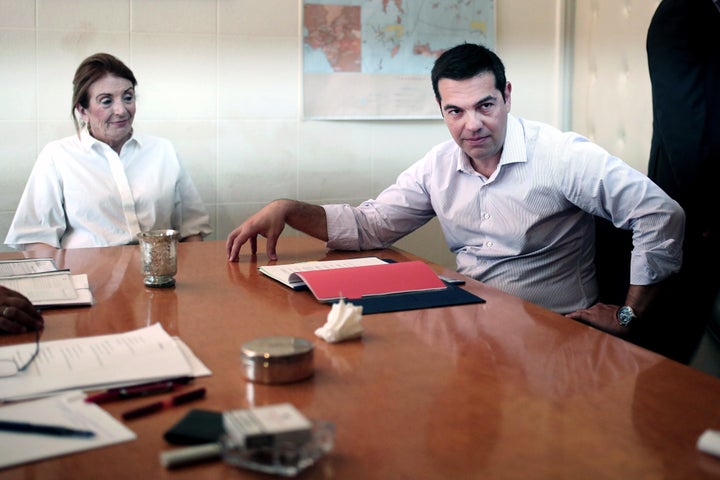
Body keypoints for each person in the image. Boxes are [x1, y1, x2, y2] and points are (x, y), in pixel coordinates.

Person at [226, 43, 684, 338]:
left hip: (552, 332)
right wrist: (287, 208)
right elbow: (370, 225)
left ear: (507, 95)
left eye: (485, 105)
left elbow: (660, 214)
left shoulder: (561, 155)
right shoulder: (438, 165)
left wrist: (628, 315)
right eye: (456, 111)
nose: (473, 125)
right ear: (441, 110)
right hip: (466, 321)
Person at [5, 53, 212, 253]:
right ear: (82, 111)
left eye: (128, 97)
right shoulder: (57, 156)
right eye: (106, 101)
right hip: (86, 280)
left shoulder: (163, 150)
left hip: (157, 278)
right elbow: (36, 240)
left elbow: (191, 231)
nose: (121, 110)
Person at [645, 0, 720, 363]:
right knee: (676, 333)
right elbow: (682, 122)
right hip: (693, 199)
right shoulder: (683, 11)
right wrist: (704, 209)